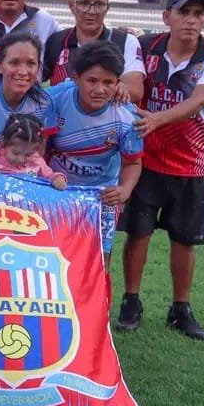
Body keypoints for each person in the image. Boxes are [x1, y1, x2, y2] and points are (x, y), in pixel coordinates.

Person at [117, 0, 204, 339]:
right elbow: (133, 81)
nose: (191, 20)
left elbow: (199, 101)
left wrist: (154, 118)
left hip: (193, 164)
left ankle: (180, 308)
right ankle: (131, 302)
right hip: (145, 161)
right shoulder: (144, 46)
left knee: (185, 239)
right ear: (167, 16)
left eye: (199, 14)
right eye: (184, 12)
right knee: (138, 233)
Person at [47, 42, 142, 268]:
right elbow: (39, 146)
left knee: (99, 258)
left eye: (108, 82)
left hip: (100, 194)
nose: (100, 90)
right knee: (51, 254)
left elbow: (133, 162)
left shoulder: (127, 118)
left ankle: (96, 303)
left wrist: (124, 190)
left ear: (118, 83)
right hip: (55, 188)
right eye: (92, 81)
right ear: (76, 78)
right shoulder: (53, 99)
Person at [43, 0, 145, 88]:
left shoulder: (126, 42)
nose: (91, 11)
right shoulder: (56, 41)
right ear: (71, 6)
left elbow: (135, 90)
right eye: (84, 4)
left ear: (107, 8)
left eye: (99, 4)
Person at [0, 32, 57, 150]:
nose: (23, 72)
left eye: (31, 63)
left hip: (24, 166)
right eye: (14, 63)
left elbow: (39, 153)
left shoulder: (45, 102)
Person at [0, 114, 68, 189]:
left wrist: (58, 179)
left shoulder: (36, 160)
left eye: (28, 154)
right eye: (15, 153)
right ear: (3, 142)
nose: (21, 159)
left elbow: (49, 175)